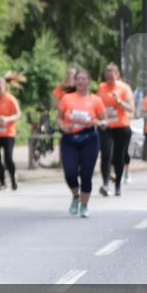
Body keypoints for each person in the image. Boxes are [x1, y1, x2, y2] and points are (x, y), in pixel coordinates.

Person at [57, 68, 106, 218]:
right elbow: (59, 118)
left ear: (88, 81)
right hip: (70, 139)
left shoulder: (95, 100)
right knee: (70, 173)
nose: (80, 81)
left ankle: (84, 206)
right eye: (78, 79)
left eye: (84, 79)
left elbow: (104, 121)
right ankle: (76, 196)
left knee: (86, 174)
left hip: (89, 138)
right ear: (75, 81)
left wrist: (97, 122)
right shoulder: (67, 98)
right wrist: (64, 127)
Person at [96, 63, 135, 197]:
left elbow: (131, 109)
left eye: (112, 77)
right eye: (107, 77)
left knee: (119, 156)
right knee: (106, 154)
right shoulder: (101, 87)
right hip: (106, 126)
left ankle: (118, 184)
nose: (109, 80)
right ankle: (106, 183)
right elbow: (97, 105)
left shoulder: (124, 88)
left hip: (122, 127)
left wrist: (120, 102)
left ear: (117, 76)